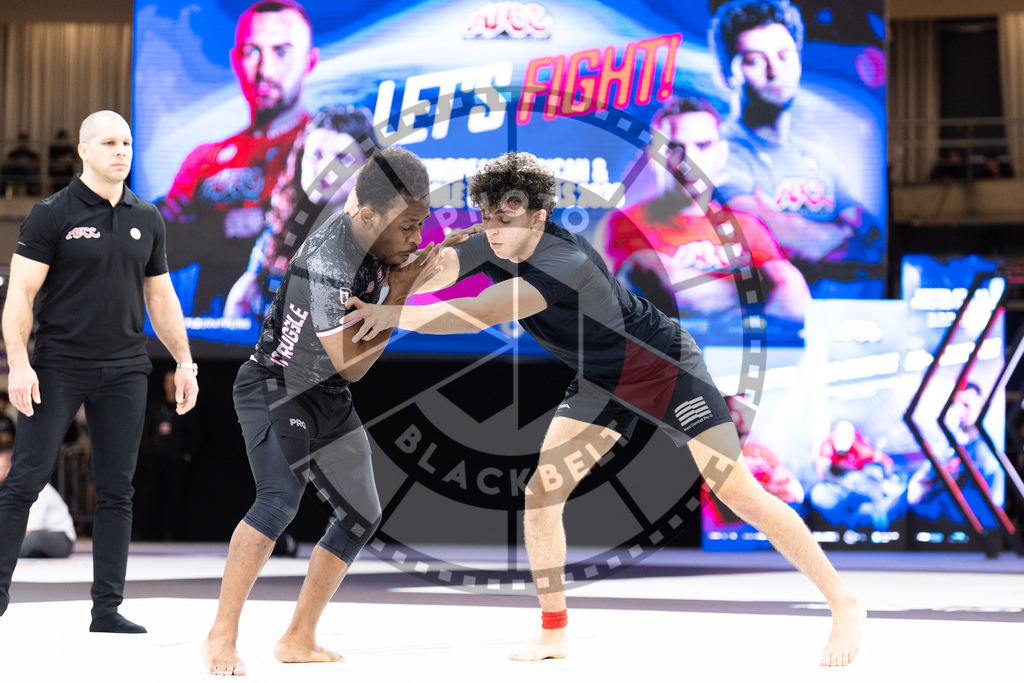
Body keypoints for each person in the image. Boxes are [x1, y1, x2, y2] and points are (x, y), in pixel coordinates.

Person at [344, 151, 865, 667]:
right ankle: (553, 632)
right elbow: (448, 269)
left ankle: (844, 603)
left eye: (504, 219)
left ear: (538, 218)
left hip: (665, 370)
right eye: (486, 217)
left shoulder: (562, 265)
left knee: (737, 490)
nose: (492, 229)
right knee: (543, 492)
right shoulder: (502, 239)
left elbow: (474, 314)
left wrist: (390, 314)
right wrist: (389, 278)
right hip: (601, 381)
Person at [200, 146, 471, 675]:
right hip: (276, 386)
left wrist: (432, 267)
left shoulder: (372, 217)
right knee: (279, 501)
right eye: (409, 226)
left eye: (422, 224)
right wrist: (397, 298)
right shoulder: (328, 264)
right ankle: (220, 635)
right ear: (367, 216)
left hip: (324, 394)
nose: (416, 237)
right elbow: (353, 367)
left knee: (361, 514)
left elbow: (418, 267)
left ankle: (298, 637)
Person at [0, 110, 199, 633]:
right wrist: (18, 365)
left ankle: (106, 610)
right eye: (109, 142)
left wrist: (185, 362)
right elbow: (19, 294)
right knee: (24, 481)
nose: (122, 151)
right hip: (57, 365)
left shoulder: (147, 216)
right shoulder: (51, 214)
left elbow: (161, 297)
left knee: (117, 490)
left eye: (128, 142)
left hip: (126, 370)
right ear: (84, 151)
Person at [708, 0, 882, 295]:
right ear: (726, 74)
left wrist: (799, 233)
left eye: (784, 56)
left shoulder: (819, 156)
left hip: (840, 323)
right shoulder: (715, 151)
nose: (774, 71)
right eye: (754, 59)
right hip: (758, 327)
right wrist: (839, 232)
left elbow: (874, 240)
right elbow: (769, 238)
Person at [160, 0, 319, 316]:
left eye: (282, 51)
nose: (265, 70)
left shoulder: (324, 148)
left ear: (309, 62)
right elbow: (164, 248)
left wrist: (203, 227)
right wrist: (227, 226)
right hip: (209, 333)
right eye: (251, 51)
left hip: (291, 332)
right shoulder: (205, 158)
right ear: (235, 60)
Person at [596, 95, 809, 323]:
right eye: (674, 147)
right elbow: (662, 285)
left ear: (722, 153)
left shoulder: (747, 227)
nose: (689, 161)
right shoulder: (624, 223)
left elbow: (796, 302)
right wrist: (761, 292)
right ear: (654, 156)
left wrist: (708, 296)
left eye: (703, 145)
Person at [224, 104, 377, 319]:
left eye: (342, 158)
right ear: (299, 161)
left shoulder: (385, 242)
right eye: (316, 154)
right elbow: (240, 303)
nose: (325, 168)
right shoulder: (278, 233)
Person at [135, 370, 201, 541]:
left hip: (176, 460)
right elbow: (147, 430)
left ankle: (171, 532)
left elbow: (194, 433)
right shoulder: (156, 405)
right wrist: (146, 451)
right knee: (150, 495)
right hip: (155, 459)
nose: (170, 385)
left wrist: (187, 455)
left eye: (173, 381)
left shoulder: (186, 406)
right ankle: (146, 532)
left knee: (174, 497)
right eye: (167, 381)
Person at [808, 420, 904, 531]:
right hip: (835, 488)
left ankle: (882, 533)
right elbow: (822, 472)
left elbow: (886, 461)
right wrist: (840, 481)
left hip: (858, 486)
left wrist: (887, 478)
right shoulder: (828, 446)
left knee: (874, 493)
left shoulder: (861, 449)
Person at [0, 425, 77, 560]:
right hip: (35, 534)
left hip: (60, 537)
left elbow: (28, 529)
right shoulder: (8, 490)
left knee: (33, 539)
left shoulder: (37, 488)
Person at [0, 132, 42, 197]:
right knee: (4, 170)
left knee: (30, 174)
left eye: (24, 142)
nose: (22, 145)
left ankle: (30, 194)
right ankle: (2, 193)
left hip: (26, 172)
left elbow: (37, 166)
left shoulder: (33, 154)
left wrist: (27, 163)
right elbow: (6, 162)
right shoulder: (13, 153)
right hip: (14, 171)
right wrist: (19, 162)